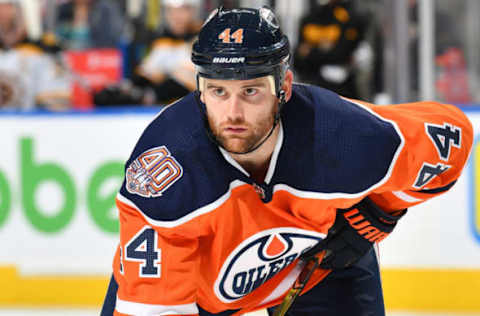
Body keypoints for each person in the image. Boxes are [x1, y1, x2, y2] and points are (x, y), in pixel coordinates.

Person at [100, 6, 473, 316]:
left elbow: (452, 137)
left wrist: (379, 212)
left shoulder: (338, 133)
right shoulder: (166, 174)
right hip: (192, 296)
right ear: (200, 91)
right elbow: (156, 306)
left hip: (321, 269)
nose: (233, 113)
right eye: (217, 91)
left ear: (284, 88)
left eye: (250, 91)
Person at [293, 0, 373, 99]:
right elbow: (298, 59)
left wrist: (312, 52)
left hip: (343, 88)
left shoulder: (349, 16)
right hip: (312, 85)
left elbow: (341, 54)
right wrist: (324, 50)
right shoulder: (308, 18)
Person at [0, 0, 70, 110]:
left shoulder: (44, 50)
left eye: (7, 7)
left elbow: (56, 103)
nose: (2, 12)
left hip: (29, 122)